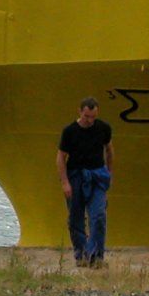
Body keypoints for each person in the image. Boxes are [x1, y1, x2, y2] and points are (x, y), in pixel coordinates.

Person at [56, 96, 114, 266]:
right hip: (76, 175)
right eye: (87, 116)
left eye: (93, 117)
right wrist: (65, 182)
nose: (90, 120)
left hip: (97, 175)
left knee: (99, 215)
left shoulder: (103, 128)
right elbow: (60, 157)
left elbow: (109, 150)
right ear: (80, 112)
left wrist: (109, 173)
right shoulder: (70, 131)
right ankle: (81, 254)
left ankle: (96, 256)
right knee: (76, 218)